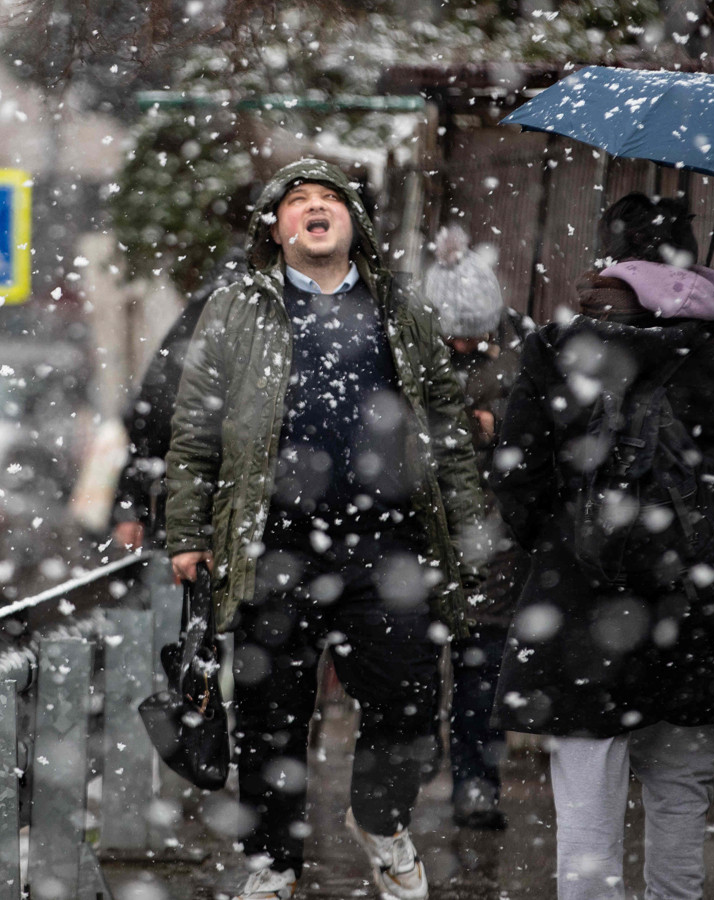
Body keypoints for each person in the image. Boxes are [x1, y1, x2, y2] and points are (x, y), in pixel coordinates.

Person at [164, 158, 487, 900]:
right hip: (270, 546)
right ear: (275, 230)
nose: (315, 209)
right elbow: (194, 433)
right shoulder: (236, 309)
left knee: (408, 706)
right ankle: (272, 863)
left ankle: (379, 823)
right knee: (270, 721)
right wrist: (187, 533)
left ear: (353, 222)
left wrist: (467, 533)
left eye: (329, 199)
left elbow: (445, 428)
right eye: (297, 201)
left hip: (387, 547)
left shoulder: (397, 308)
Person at [488, 193, 714, 900]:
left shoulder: (555, 349)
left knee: (587, 800)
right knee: (680, 791)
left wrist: (550, 545)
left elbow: (517, 472)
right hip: (691, 595)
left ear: (610, 260)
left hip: (581, 601)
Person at [420, 223, 533, 830]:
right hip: (419, 533)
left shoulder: (527, 348)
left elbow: (552, 429)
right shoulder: (408, 345)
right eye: (452, 339)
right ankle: (414, 766)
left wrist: (501, 429)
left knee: (481, 671)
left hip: (493, 538)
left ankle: (476, 786)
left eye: (475, 336)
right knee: (411, 665)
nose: (464, 347)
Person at [111, 252, 244, 551]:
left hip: (195, 516)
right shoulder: (215, 319)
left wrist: (132, 507)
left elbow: (149, 417)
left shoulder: (198, 320)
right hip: (214, 518)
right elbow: (154, 412)